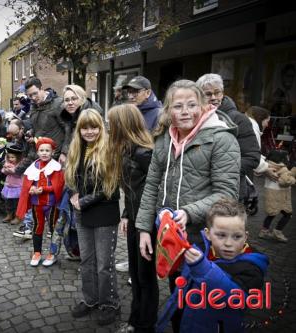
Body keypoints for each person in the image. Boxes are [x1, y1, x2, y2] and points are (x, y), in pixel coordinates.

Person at [136, 79, 241, 332]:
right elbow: (151, 184)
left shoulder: (221, 140)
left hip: (204, 239)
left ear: (203, 106)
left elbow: (227, 194)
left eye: (192, 104)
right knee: (178, 299)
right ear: (168, 110)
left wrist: (189, 212)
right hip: (171, 237)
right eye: (178, 105)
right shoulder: (164, 139)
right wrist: (143, 229)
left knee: (202, 307)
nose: (185, 111)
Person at [156, 199, 269, 333]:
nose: (228, 243)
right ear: (208, 234)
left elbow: (238, 298)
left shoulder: (251, 267)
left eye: (237, 236)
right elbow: (174, 236)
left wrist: (203, 269)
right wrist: (166, 215)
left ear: (245, 237)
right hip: (188, 320)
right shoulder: (201, 247)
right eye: (221, 235)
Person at [65, 109, 121, 325]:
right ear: (79, 129)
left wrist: (82, 202)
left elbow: (111, 189)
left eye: (94, 127)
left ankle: (110, 303)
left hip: (104, 213)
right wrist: (73, 196)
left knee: (104, 264)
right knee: (87, 261)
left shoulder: (109, 150)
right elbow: (69, 178)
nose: (89, 132)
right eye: (85, 127)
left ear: (101, 128)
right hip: (82, 213)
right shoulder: (76, 149)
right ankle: (90, 299)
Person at [107, 104, 155, 333]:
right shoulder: (126, 150)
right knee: (135, 275)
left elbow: (153, 192)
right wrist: (126, 214)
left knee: (145, 277)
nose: (109, 127)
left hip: (147, 223)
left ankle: (144, 324)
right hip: (134, 218)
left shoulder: (145, 153)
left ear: (123, 125)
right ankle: (136, 320)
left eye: (112, 124)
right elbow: (132, 189)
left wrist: (143, 223)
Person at [196, 73, 260, 203]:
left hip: (230, 192)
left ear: (222, 93)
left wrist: (220, 173)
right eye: (208, 94)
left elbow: (252, 157)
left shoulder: (239, 120)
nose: (213, 97)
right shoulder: (194, 119)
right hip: (199, 193)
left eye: (217, 93)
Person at [16, 137, 64, 267]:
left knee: (53, 229)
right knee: (37, 227)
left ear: (52, 152)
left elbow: (58, 186)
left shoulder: (56, 167)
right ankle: (37, 253)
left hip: (51, 204)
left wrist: (43, 189)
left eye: (47, 151)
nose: (44, 153)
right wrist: (30, 188)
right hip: (37, 203)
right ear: (37, 152)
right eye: (41, 150)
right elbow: (28, 183)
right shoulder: (34, 166)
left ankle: (53, 254)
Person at [25, 77, 68, 163]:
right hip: (41, 156)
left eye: (35, 93)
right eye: (30, 96)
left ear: (41, 88)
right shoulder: (33, 106)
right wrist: (31, 133)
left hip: (56, 156)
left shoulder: (58, 104)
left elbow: (69, 128)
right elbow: (40, 127)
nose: (33, 98)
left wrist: (64, 152)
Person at [258, 149, 293, 242]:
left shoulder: (267, 166)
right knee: (288, 214)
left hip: (270, 192)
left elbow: (258, 172)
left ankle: (264, 231)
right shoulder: (283, 168)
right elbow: (285, 181)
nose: (288, 158)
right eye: (287, 157)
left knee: (272, 213)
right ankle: (278, 232)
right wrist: (293, 179)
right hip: (280, 194)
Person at [61, 84, 104, 152]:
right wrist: (64, 152)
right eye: (66, 100)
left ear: (82, 99)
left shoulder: (92, 114)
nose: (70, 103)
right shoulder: (68, 115)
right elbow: (68, 136)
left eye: (74, 99)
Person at [1, 144, 23, 224]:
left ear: (18, 157)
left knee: (16, 202)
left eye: (13, 157)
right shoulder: (7, 163)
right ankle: (9, 215)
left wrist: (10, 170)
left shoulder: (20, 165)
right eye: (9, 157)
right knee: (8, 201)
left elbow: (17, 174)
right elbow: (3, 171)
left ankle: (17, 216)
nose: (10, 159)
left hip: (17, 186)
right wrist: (5, 169)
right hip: (9, 186)